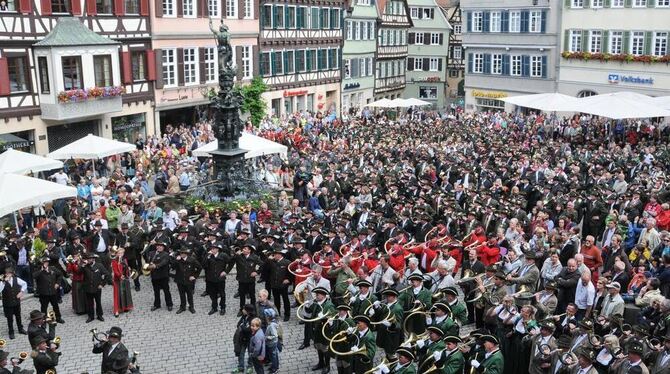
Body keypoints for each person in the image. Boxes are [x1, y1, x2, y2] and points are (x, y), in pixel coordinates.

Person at [32, 257, 64, 324]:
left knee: (55, 306)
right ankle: (43, 320)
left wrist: (57, 283)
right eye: (44, 262)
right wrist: (41, 270)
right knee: (44, 308)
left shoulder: (52, 268)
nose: (46, 263)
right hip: (44, 293)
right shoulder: (38, 270)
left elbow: (60, 274)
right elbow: (34, 276)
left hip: (53, 292)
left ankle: (58, 318)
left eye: (47, 262)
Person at [145, 240, 173, 311]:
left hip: (163, 275)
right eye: (158, 246)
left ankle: (169, 304)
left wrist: (155, 266)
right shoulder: (151, 253)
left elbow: (164, 262)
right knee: (156, 291)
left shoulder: (166, 254)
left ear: (163, 247)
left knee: (166, 291)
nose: (159, 247)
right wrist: (150, 245)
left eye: (161, 246)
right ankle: (157, 304)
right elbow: (146, 255)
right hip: (154, 276)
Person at [0, 267, 27, 339]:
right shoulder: (2, 282)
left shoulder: (16, 279)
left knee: (18, 316)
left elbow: (24, 284)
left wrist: (21, 292)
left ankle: (20, 329)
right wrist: (3, 282)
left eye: (9, 273)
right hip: (7, 303)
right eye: (7, 273)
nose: (8, 275)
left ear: (12, 274)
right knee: (10, 318)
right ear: (5, 274)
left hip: (16, 302)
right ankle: (11, 332)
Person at [203, 242, 229, 315]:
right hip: (211, 279)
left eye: (214, 249)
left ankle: (223, 307)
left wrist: (226, 271)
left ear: (217, 249)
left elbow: (230, 262)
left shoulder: (223, 255)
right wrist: (207, 257)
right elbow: (204, 265)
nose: (212, 250)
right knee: (212, 294)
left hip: (220, 279)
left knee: (222, 294)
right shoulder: (208, 256)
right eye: (211, 248)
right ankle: (214, 307)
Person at [172, 247, 201, 314]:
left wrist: (194, 276)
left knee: (190, 294)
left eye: (183, 253)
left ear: (186, 253)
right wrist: (176, 260)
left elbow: (199, 267)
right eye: (181, 253)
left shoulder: (192, 259)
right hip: (180, 280)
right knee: (182, 294)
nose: (182, 254)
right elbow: (172, 267)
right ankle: (182, 307)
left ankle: (191, 307)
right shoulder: (178, 260)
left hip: (189, 280)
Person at [82, 253, 109, 323]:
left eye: (90, 258)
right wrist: (82, 265)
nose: (89, 260)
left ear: (93, 259)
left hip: (97, 288)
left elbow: (106, 274)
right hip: (88, 288)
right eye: (88, 259)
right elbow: (79, 272)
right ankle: (91, 316)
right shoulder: (85, 266)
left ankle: (99, 315)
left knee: (98, 302)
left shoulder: (99, 265)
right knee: (89, 303)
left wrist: (102, 284)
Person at [232, 304, 256, 374]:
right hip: (242, 338)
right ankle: (240, 367)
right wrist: (243, 326)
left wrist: (243, 326)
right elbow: (238, 324)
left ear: (248, 311)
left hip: (250, 339)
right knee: (240, 353)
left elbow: (249, 329)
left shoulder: (253, 319)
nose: (242, 310)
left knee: (250, 353)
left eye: (244, 309)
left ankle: (250, 367)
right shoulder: (244, 316)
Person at [111, 247, 134, 318]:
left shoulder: (125, 260)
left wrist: (128, 270)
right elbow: (115, 270)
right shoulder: (114, 261)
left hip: (125, 279)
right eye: (119, 253)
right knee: (117, 295)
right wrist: (120, 276)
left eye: (122, 253)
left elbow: (126, 268)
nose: (121, 254)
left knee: (125, 293)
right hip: (117, 280)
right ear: (117, 254)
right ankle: (116, 310)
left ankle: (125, 307)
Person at [264, 308, 282, 374]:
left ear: (268, 316)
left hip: (272, 343)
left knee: (273, 356)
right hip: (273, 343)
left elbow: (275, 335)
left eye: (265, 315)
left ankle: (275, 369)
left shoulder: (271, 325)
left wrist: (266, 337)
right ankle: (274, 366)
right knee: (274, 355)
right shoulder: (274, 322)